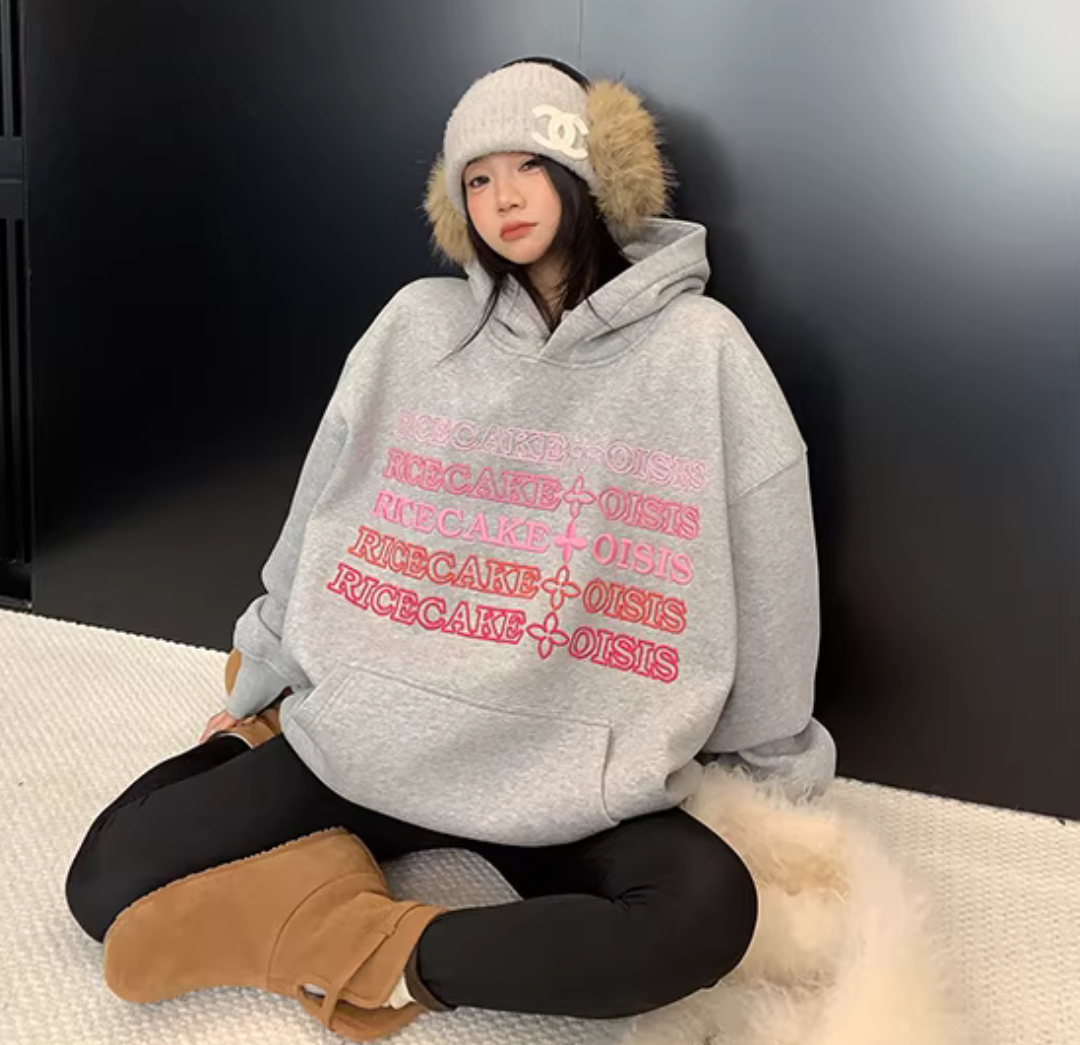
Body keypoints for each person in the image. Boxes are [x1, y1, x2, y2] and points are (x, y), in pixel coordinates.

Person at [65, 58, 836, 1041]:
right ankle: (333, 904)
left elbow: (772, 567)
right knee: (104, 882)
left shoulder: (702, 349)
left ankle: (364, 948)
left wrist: (771, 767)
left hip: (568, 770)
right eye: (477, 177)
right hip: (375, 733)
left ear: (593, 171)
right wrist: (265, 677)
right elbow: (322, 506)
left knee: (708, 911)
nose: (503, 197)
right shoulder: (415, 326)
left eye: (529, 164)